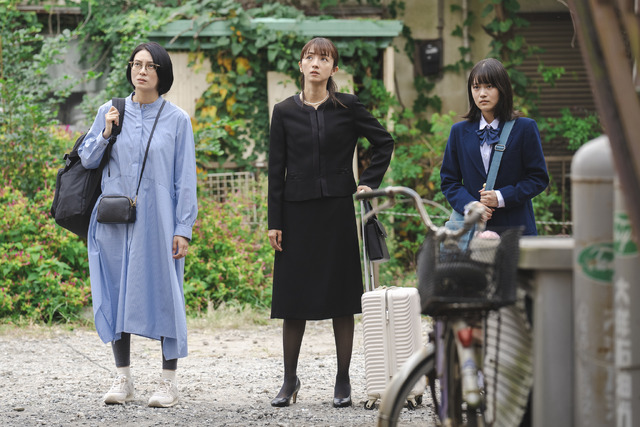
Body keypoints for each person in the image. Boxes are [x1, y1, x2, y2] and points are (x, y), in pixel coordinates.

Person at [267, 37, 394, 408]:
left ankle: (343, 380)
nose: (315, 63)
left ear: (333, 68)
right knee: (293, 299)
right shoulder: (283, 111)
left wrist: (369, 181)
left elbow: (383, 142)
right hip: (295, 213)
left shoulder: (348, 106)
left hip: (337, 210)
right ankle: (289, 380)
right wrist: (275, 221)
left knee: (342, 297)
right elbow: (276, 170)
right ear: (301, 65)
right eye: (309, 57)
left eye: (323, 59)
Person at [79, 42, 198, 408]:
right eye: (136, 64)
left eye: (150, 66)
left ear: (162, 73)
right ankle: (123, 378)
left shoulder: (177, 119)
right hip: (115, 221)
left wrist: (183, 227)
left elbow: (185, 178)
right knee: (116, 292)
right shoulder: (110, 110)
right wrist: (106, 132)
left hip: (159, 221)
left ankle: (168, 382)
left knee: (166, 292)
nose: (141, 71)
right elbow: (87, 159)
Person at [440, 57, 549, 235]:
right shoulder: (459, 131)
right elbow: (449, 181)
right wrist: (471, 206)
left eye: (489, 86)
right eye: (476, 87)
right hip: (473, 232)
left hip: (515, 229)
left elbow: (538, 178)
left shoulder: (525, 128)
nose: (482, 93)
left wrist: (500, 197)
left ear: (502, 89)